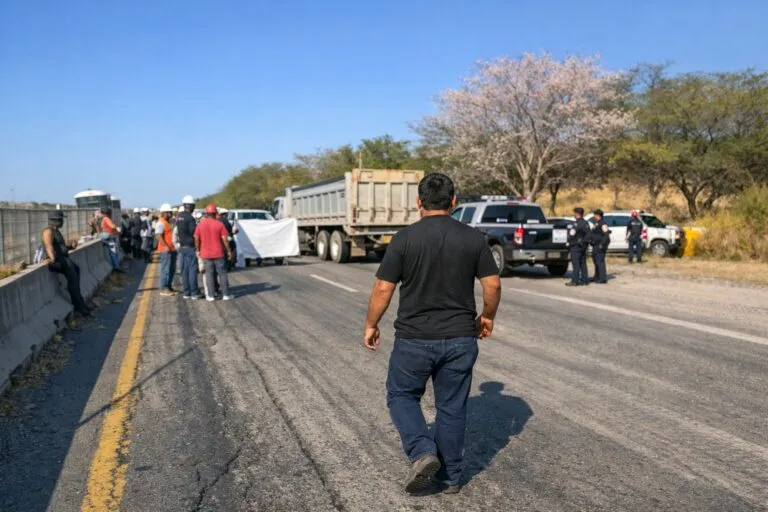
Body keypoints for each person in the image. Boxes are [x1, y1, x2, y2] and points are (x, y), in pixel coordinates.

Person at [363, 173, 502, 495]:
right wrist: (488, 317)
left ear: (418, 202)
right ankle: (452, 477)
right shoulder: (473, 238)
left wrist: (371, 324)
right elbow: (492, 283)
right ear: (454, 202)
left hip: (414, 338)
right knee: (451, 408)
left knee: (402, 396)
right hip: (460, 338)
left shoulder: (404, 239)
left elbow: (384, 287)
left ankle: (422, 451)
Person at [42, 211, 92, 316]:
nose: (63, 222)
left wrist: (70, 247)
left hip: (64, 259)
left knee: (76, 269)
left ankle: (81, 303)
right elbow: (48, 245)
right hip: (59, 260)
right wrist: (52, 258)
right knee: (73, 280)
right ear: (56, 220)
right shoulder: (48, 231)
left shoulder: (56, 231)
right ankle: (79, 307)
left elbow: (60, 247)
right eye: (61, 220)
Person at [194, 204, 234, 301]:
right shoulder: (219, 224)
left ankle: (211, 296)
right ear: (215, 213)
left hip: (206, 254)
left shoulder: (200, 225)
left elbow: (196, 238)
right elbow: (225, 239)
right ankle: (225, 295)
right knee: (222, 274)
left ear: (206, 214)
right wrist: (229, 251)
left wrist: (198, 250)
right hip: (219, 253)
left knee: (209, 274)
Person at [177, 195, 201, 299]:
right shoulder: (190, 218)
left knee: (185, 271)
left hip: (182, 247)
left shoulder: (179, 217)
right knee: (192, 270)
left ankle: (186, 292)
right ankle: (194, 292)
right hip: (190, 247)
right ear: (191, 206)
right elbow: (194, 232)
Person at [155, 203, 178, 296]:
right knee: (165, 269)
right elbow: (158, 235)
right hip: (165, 250)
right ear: (165, 213)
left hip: (172, 249)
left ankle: (168, 286)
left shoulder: (168, 222)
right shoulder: (161, 222)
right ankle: (164, 288)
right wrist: (165, 246)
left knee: (172, 269)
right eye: (169, 213)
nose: (171, 214)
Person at [566, 207, 591, 287]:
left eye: (575, 213)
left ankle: (575, 281)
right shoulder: (586, 223)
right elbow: (588, 234)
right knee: (583, 263)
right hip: (583, 246)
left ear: (577, 214)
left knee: (576, 264)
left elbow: (572, 234)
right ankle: (585, 280)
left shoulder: (577, 224)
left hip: (576, 246)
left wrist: (568, 240)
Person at [589, 209, 610, 284]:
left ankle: (602, 278)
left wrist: (602, 244)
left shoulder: (603, 223)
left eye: (595, 215)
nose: (594, 216)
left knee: (600, 261)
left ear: (598, 215)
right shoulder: (596, 223)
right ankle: (596, 276)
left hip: (600, 245)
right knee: (596, 261)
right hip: (595, 245)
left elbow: (606, 235)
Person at [99, 208, 123, 273]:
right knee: (113, 253)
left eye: (100, 213)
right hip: (110, 237)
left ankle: (116, 267)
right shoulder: (106, 219)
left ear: (102, 213)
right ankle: (116, 267)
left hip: (108, 237)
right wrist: (117, 228)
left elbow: (112, 226)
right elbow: (112, 227)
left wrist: (115, 227)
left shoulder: (105, 219)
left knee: (113, 253)